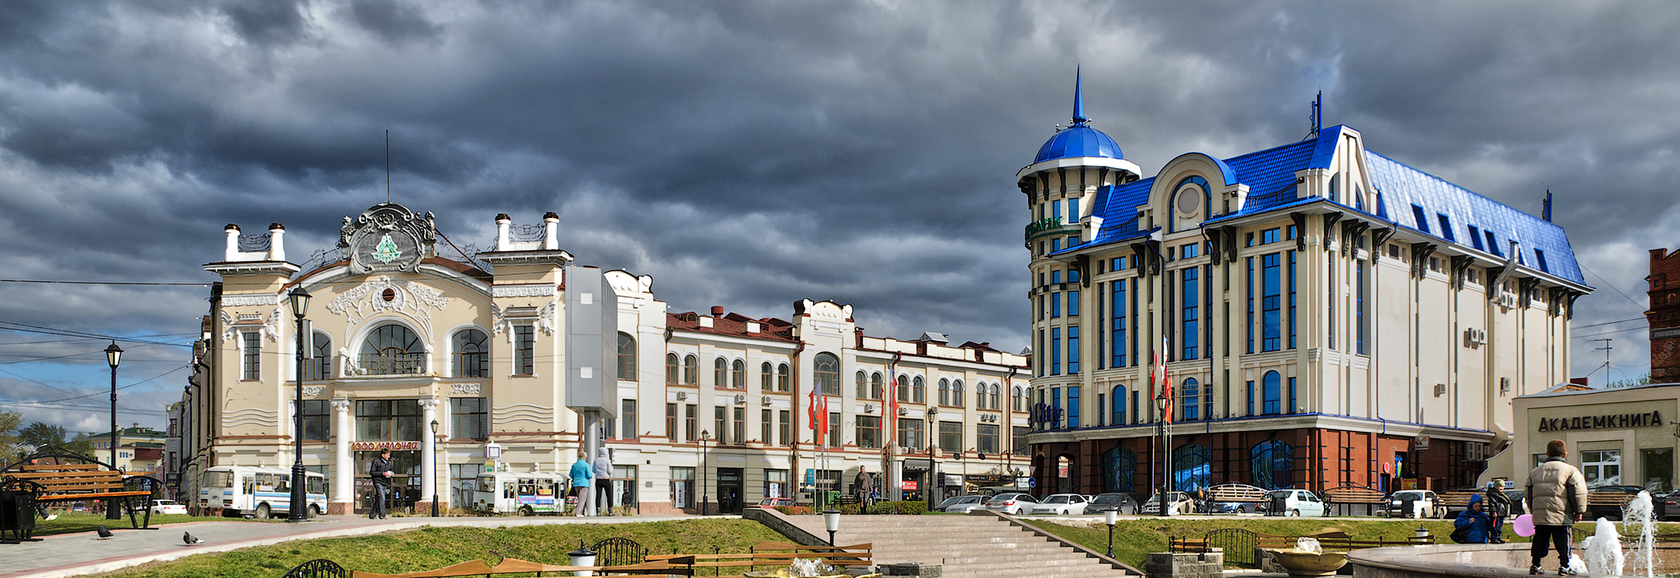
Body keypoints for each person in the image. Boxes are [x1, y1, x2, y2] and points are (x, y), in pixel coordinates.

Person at [1527, 439, 1588, 576]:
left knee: (1540, 539)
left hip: (1541, 514)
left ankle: (1535, 564)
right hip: (1562, 515)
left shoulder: (1535, 472)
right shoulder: (1570, 471)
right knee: (1563, 540)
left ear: (1547, 453)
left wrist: (1533, 509)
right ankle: (1564, 566)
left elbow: (1528, 493)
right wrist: (1579, 510)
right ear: (1565, 454)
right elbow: (1578, 492)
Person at [368, 448, 394, 519]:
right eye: (387, 454)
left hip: (385, 482)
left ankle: (372, 515)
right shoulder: (377, 462)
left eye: (389, 455)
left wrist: (391, 474)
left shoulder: (389, 463)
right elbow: (372, 472)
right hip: (378, 481)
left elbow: (391, 470)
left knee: (378, 498)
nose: (388, 456)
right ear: (383, 455)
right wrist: (382, 473)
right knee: (382, 497)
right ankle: (382, 514)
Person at [569, 450, 594, 516]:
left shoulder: (574, 465)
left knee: (581, 498)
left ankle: (584, 512)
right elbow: (589, 475)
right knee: (582, 499)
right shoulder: (586, 465)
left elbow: (571, 474)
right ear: (584, 457)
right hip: (584, 483)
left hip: (576, 483)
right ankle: (578, 512)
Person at [593, 447, 614, 516]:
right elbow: (610, 471)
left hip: (598, 479)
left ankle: (598, 511)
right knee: (609, 495)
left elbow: (593, 470)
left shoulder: (596, 460)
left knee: (598, 496)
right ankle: (610, 511)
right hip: (606, 479)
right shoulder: (607, 460)